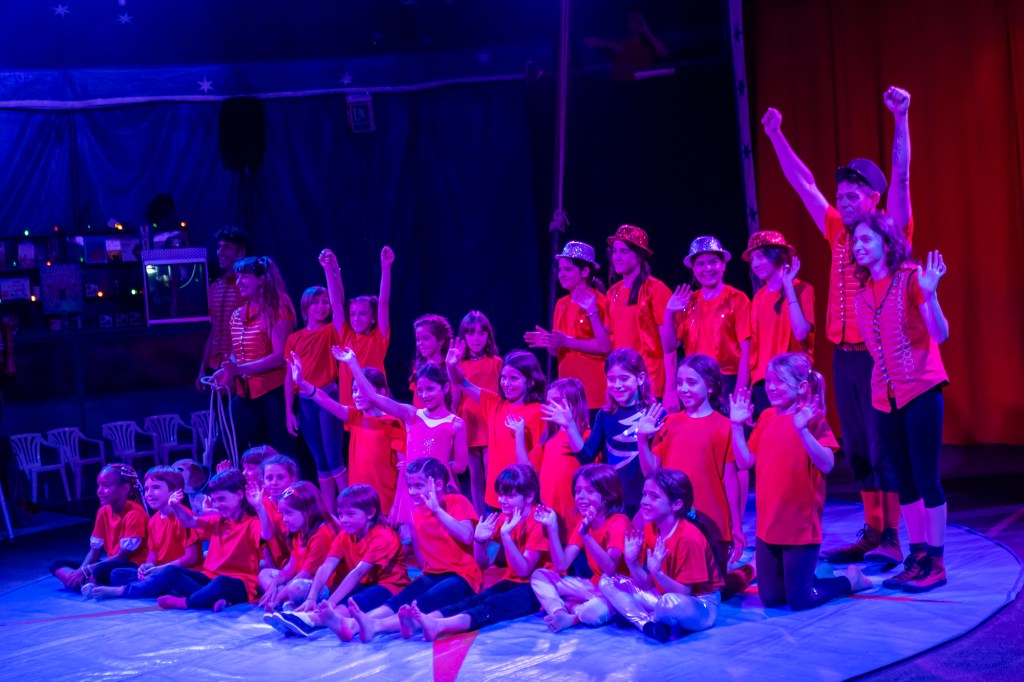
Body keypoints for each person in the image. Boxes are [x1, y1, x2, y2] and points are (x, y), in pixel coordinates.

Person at [761, 87, 914, 565]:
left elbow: (903, 177)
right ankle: (872, 530)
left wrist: (901, 118)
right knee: (859, 447)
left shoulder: (889, 230)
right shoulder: (837, 232)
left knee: (884, 444)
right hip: (843, 357)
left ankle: (892, 535)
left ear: (873, 198)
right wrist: (776, 135)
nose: (843, 202)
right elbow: (803, 182)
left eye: (853, 196)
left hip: (877, 355)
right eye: (841, 196)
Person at [852, 213, 950, 592]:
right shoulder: (862, 297)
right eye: (855, 241)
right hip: (885, 397)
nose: (858, 246)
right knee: (904, 481)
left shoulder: (911, 279)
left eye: (866, 239)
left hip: (921, 388)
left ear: (886, 241)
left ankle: (936, 563)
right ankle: (918, 556)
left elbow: (940, 333)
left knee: (927, 478)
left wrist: (932, 293)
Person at [729, 353, 872, 611]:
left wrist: (803, 430)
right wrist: (737, 427)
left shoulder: (812, 418)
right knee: (772, 598)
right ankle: (809, 576)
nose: (772, 387)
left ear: (802, 386)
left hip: (799, 526)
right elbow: (745, 461)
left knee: (800, 600)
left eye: (780, 382)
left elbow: (827, 464)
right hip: (768, 525)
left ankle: (851, 580)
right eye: (769, 381)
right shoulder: (767, 417)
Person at [637, 354, 749, 594]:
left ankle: (750, 571)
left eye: (691, 382)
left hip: (712, 521)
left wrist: (736, 526)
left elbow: (731, 481)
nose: (683, 389)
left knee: (711, 591)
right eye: (679, 383)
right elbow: (651, 472)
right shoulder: (669, 424)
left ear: (710, 386)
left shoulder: (724, 426)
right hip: (673, 520)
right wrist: (642, 439)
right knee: (672, 588)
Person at [345, 457, 482, 642]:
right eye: (409, 486)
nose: (412, 491)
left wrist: (437, 510)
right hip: (433, 574)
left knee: (423, 602)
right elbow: (421, 556)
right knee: (401, 598)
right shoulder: (418, 512)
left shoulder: (456, 501)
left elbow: (466, 535)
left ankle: (375, 626)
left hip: (463, 576)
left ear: (438, 485)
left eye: (418, 486)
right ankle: (354, 625)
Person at [409, 464, 551, 640]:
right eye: (500, 494)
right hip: (512, 581)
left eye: (510, 495)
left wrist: (506, 536)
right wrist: (479, 541)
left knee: (493, 605)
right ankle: (419, 622)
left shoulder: (538, 520)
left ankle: (439, 626)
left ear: (529, 496)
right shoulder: (504, 518)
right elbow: (482, 563)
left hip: (537, 587)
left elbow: (524, 570)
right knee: (476, 600)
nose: (502, 500)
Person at [338, 347, 467, 527]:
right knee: (415, 537)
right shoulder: (411, 415)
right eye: (420, 390)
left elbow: (460, 467)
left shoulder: (456, 424)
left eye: (430, 389)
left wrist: (436, 465)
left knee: (442, 536)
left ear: (445, 388)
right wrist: (353, 363)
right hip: (412, 490)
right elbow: (372, 397)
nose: (424, 395)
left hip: (439, 489)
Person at [267, 484, 409, 637]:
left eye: (350, 514)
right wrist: (311, 597)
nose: (344, 520)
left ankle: (311, 620)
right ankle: (309, 616)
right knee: (347, 598)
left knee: (358, 601)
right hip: (364, 584)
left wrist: (330, 603)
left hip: (391, 586)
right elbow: (326, 566)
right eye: (340, 514)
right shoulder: (345, 536)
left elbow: (358, 572)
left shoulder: (383, 536)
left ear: (370, 513)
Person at [599, 469, 724, 642]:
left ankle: (648, 616)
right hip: (663, 594)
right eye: (644, 494)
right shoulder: (652, 528)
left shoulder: (689, 538)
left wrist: (658, 573)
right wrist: (631, 562)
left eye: (654, 497)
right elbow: (646, 584)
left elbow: (684, 592)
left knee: (668, 603)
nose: (644, 501)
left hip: (699, 604)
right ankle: (647, 625)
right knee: (607, 580)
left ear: (676, 504)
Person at [544, 347, 656, 515]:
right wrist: (570, 426)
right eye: (611, 379)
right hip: (615, 501)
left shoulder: (654, 414)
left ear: (640, 378)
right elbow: (586, 457)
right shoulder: (605, 415)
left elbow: (656, 470)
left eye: (624, 378)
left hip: (646, 500)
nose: (617, 385)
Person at [288, 353, 404, 515]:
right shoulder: (355, 417)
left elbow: (404, 469)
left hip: (385, 504)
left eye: (363, 390)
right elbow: (325, 400)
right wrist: (301, 382)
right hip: (358, 503)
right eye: (354, 390)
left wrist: (397, 506)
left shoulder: (393, 423)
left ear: (382, 392)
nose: (357, 395)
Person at [446, 341, 547, 511]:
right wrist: (450, 366)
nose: (506, 383)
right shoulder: (494, 403)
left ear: (531, 382)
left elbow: (539, 462)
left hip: (522, 498)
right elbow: (460, 382)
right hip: (496, 498)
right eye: (504, 378)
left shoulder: (540, 412)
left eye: (514, 378)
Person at [212, 256, 296, 455]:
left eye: (245, 277)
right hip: (246, 392)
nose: (239, 282)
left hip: (273, 392)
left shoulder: (278, 312)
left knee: (281, 452)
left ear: (261, 279)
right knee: (223, 448)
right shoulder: (237, 315)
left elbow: (279, 356)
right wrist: (226, 372)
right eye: (237, 277)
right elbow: (235, 354)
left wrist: (238, 369)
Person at [530, 463, 629, 632]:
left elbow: (610, 570)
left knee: (592, 613)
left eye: (590, 491)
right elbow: (561, 565)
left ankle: (573, 611)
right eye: (578, 491)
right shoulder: (583, 524)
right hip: (593, 588)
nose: (581, 497)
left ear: (608, 495)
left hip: (617, 592)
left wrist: (586, 535)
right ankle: (560, 612)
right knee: (540, 576)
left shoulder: (618, 522)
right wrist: (552, 527)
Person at [660, 236, 751, 412]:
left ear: (723, 265)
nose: (707, 268)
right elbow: (669, 346)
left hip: (728, 382)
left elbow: (747, 352)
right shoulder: (688, 302)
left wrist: (740, 392)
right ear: (693, 269)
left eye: (713, 262)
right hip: (694, 381)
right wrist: (669, 312)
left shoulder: (738, 299)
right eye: (700, 264)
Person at [154, 470, 263, 612]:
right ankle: (213, 599)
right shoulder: (217, 521)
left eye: (221, 499)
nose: (216, 505)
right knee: (171, 572)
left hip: (239, 584)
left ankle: (186, 602)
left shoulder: (252, 523)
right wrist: (175, 506)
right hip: (209, 578)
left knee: (221, 583)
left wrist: (259, 507)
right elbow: (188, 521)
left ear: (239, 495)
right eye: (215, 500)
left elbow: (266, 534)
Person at [525, 241, 611, 413]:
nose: (561, 275)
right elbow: (557, 352)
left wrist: (566, 341)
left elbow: (605, 346)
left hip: (593, 394)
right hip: (567, 394)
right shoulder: (561, 304)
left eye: (568, 269)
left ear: (585, 272)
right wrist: (550, 342)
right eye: (560, 270)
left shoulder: (601, 302)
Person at [91, 466, 201, 599]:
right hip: (159, 571)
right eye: (147, 488)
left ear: (174, 490)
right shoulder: (153, 521)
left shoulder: (184, 517)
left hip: (181, 572)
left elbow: (191, 557)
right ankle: (156, 587)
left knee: (169, 573)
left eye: (156, 488)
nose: (149, 494)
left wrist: (160, 569)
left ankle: (122, 591)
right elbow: (152, 556)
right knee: (117, 574)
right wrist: (146, 567)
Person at [284, 284, 344, 512]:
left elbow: (339, 304)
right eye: (316, 302)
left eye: (325, 302)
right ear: (305, 307)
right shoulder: (294, 338)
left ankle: (348, 506)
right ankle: (330, 513)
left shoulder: (331, 331)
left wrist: (332, 272)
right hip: (305, 402)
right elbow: (289, 377)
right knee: (320, 459)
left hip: (327, 396)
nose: (321, 306)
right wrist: (289, 412)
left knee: (333, 455)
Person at [743, 231, 815, 418]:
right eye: (753, 259)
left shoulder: (802, 289)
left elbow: (801, 333)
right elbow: (755, 350)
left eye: (760, 256)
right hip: (764, 383)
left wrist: (788, 287)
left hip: (792, 380)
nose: (755, 264)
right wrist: (751, 389)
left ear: (778, 256)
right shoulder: (758, 297)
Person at [50, 464, 148, 593]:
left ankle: (87, 584)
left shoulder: (135, 514)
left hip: (130, 564)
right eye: (99, 485)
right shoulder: (103, 512)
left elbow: (122, 557)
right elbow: (94, 552)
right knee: (57, 564)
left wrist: (85, 571)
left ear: (124, 488)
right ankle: (87, 584)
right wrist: (81, 571)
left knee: (104, 572)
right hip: (110, 562)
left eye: (106, 485)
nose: (99, 491)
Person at [510, 377, 589, 537]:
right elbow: (526, 470)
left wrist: (569, 425)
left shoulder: (585, 436)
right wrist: (519, 434)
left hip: (575, 518)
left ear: (575, 402)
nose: (551, 407)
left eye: (558, 401)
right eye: (549, 402)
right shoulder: (549, 438)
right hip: (550, 516)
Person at [605, 225, 674, 399]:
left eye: (624, 252)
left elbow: (669, 347)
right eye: (614, 251)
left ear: (639, 255)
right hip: (621, 384)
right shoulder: (612, 293)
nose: (617, 257)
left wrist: (671, 390)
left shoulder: (655, 289)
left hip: (651, 382)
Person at [319, 247, 393, 408]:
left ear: (373, 318)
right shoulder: (346, 335)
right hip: (350, 404)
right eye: (352, 314)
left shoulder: (379, 337)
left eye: (362, 314)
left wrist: (386, 267)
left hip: (374, 404)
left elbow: (383, 302)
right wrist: (327, 269)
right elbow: (336, 304)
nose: (356, 318)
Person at [258, 482, 340, 612]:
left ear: (308, 510)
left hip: (320, 588)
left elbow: (304, 575)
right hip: (300, 580)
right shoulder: (299, 530)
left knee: (296, 588)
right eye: (282, 513)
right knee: (264, 574)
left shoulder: (322, 535)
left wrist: (277, 598)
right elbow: (291, 566)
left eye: (289, 513)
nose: (284, 519)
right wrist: (274, 584)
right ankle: (286, 599)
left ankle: (285, 600)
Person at [454, 310, 503, 513]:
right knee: (475, 476)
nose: (476, 338)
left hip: (491, 422)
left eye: (481, 333)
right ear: (463, 336)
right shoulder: (459, 365)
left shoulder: (496, 363)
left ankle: (496, 515)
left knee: (493, 473)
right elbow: (456, 399)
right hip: (470, 423)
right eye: (471, 333)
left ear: (488, 336)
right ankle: (480, 517)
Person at [198, 226, 248, 386]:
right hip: (216, 365)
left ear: (240, 252)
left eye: (226, 247)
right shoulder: (215, 287)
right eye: (219, 247)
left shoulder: (247, 286)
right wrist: (202, 369)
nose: (220, 252)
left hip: (240, 367)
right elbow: (214, 330)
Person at [258, 454, 302, 569]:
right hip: (278, 566)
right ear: (263, 482)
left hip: (301, 564)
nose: (274, 482)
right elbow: (263, 544)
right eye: (269, 478)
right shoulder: (261, 504)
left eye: (280, 477)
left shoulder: (301, 503)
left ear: (293, 480)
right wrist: (273, 569)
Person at [410, 314, 453, 408]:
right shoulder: (418, 369)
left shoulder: (448, 369)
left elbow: (454, 403)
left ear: (441, 340)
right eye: (418, 339)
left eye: (425, 338)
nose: (420, 343)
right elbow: (416, 402)